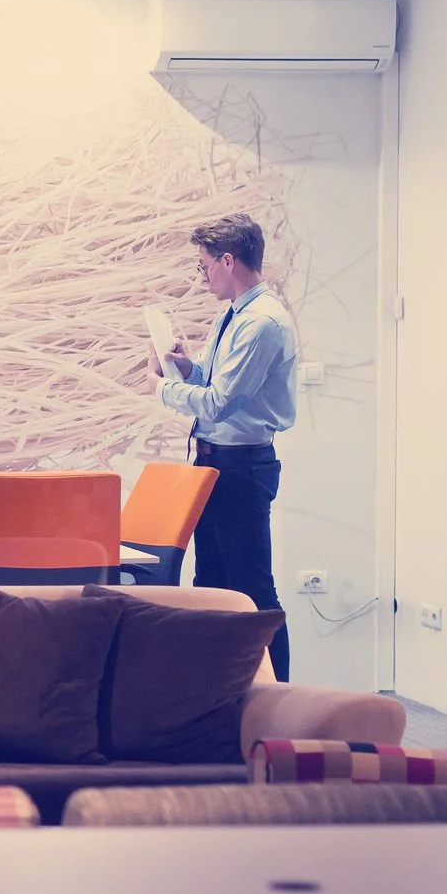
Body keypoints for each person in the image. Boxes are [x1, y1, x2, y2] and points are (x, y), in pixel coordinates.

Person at [154, 213, 297, 680]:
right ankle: (216, 696)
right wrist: (184, 368)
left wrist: (163, 390)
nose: (202, 276)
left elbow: (218, 404)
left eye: (204, 266)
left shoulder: (262, 323)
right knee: (210, 584)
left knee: (253, 590)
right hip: (214, 465)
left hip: (241, 468)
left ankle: (279, 702)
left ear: (228, 261)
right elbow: (216, 383)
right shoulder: (235, 315)